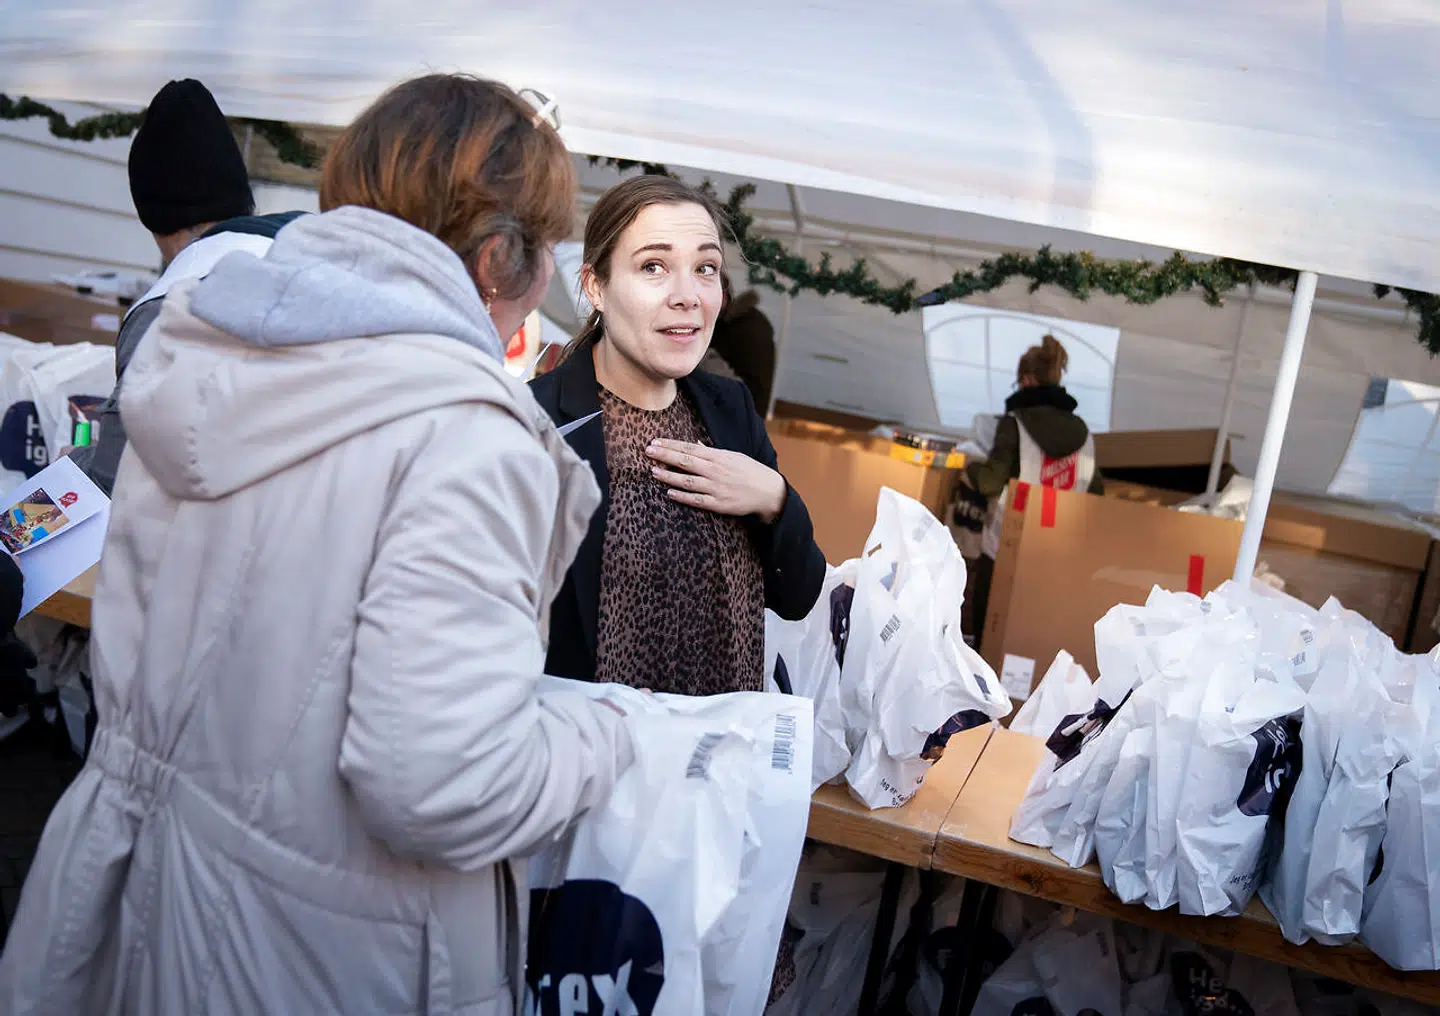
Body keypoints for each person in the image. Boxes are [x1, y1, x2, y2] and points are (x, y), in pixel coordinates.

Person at [0, 74, 633, 1015]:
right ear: (504, 260)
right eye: (549, 250)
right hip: (314, 955)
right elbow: (441, 784)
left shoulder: (200, 338)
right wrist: (606, 732)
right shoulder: (466, 432)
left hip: (141, 893)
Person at [530, 175, 826, 696]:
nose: (687, 296)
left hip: (719, 755)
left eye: (705, 268)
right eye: (653, 267)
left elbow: (798, 594)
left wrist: (775, 500)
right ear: (596, 285)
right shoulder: (541, 423)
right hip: (594, 757)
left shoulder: (730, 409)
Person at [69, 78, 305, 495]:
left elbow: (118, 473)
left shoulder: (169, 307)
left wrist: (73, 466)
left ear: (154, 215)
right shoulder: (311, 258)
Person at [958, 333, 1102, 646]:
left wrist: (967, 463)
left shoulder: (1015, 425)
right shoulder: (1086, 436)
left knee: (990, 638)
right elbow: (1096, 498)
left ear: (1026, 380)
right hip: (1055, 553)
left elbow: (989, 482)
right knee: (1030, 641)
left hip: (1006, 549)